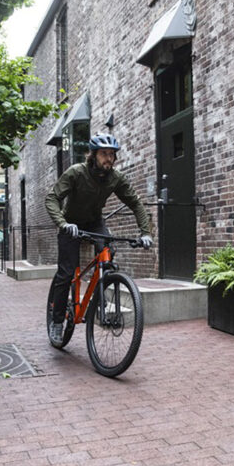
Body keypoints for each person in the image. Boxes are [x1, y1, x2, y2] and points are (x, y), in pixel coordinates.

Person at [45, 133, 153, 344]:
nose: (108, 158)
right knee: (66, 273)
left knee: (107, 254)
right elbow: (52, 198)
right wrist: (62, 223)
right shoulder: (76, 172)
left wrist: (145, 232)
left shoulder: (116, 178)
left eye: (112, 154)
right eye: (104, 154)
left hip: (95, 222)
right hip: (71, 224)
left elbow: (136, 203)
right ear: (93, 155)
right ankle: (57, 322)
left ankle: (98, 296)